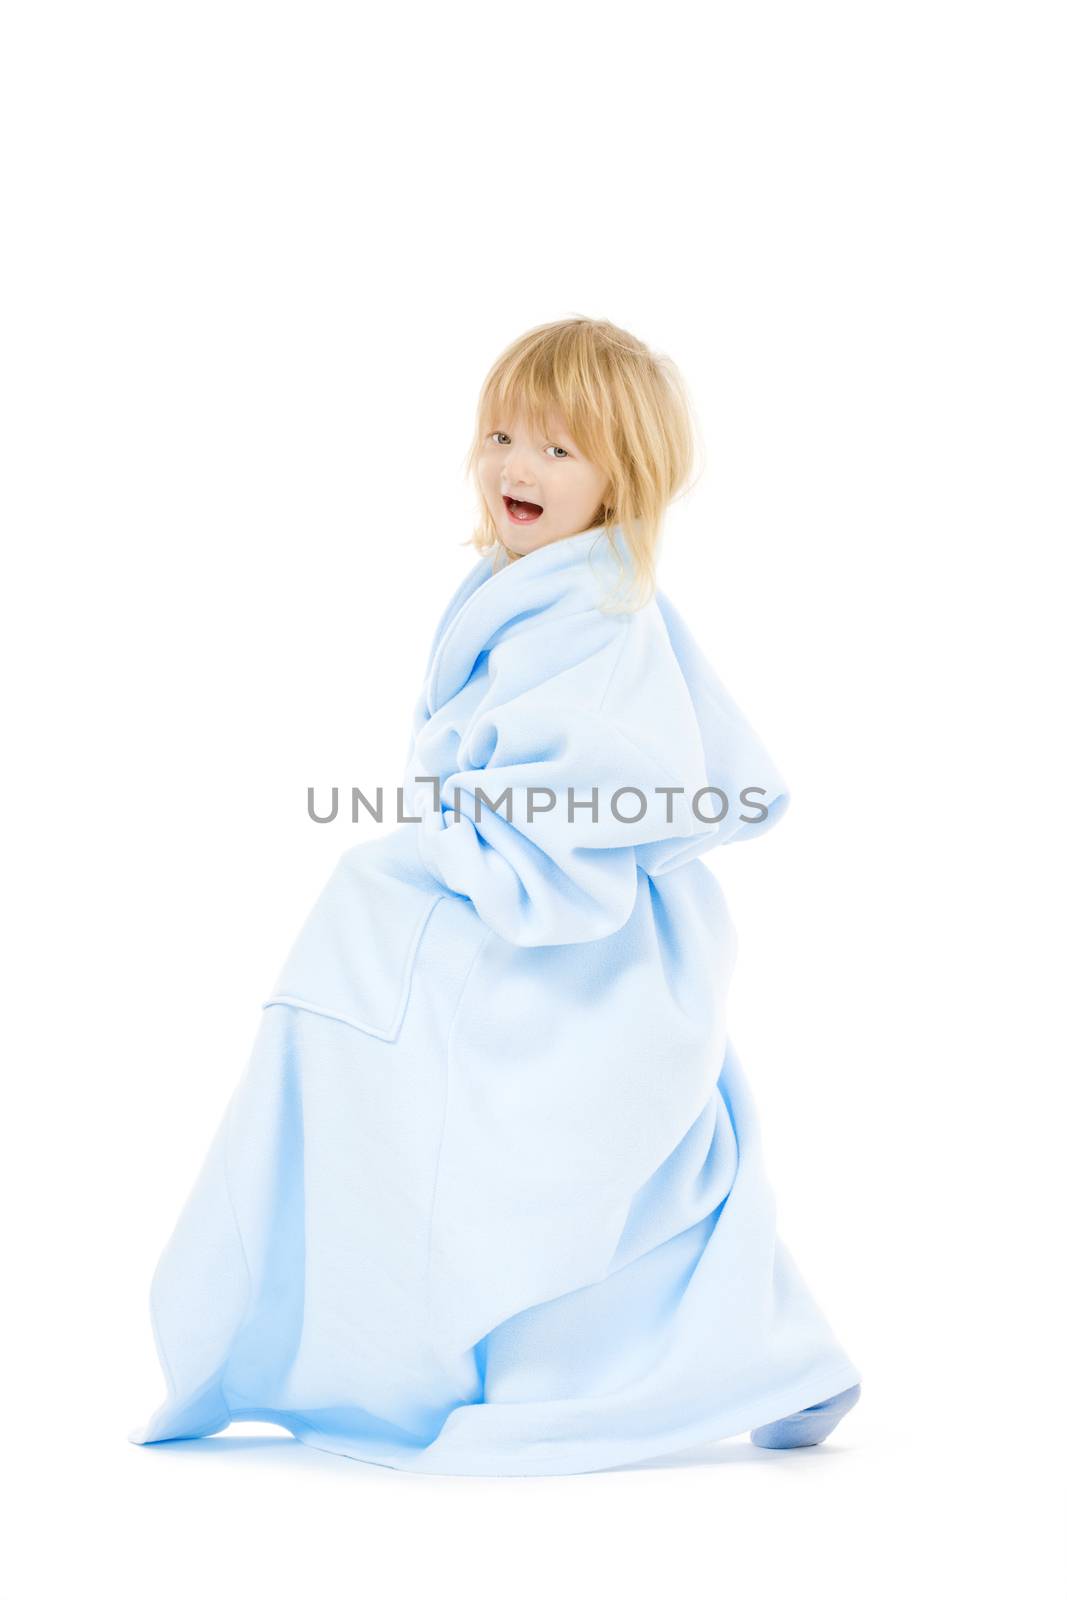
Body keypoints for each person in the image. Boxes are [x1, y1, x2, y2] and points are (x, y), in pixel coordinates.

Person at [129, 316, 861, 1476]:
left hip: (578, 927)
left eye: (559, 451)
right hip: (517, 893)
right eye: (501, 435)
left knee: (559, 1137)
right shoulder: (521, 588)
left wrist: (455, 837)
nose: (517, 466)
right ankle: (421, 1335)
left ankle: (686, 1353)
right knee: (466, 1092)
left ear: (624, 475)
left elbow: (597, 783)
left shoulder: (599, 618)